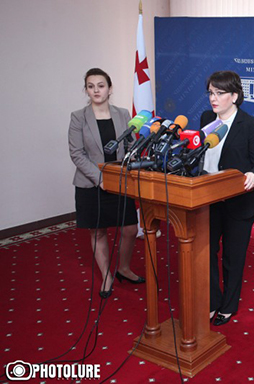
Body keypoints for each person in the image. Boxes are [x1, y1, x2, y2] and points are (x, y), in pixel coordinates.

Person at [200, 71, 254, 326]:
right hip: (208, 197)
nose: (213, 98)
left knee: (232, 256)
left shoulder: (250, 125)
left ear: (235, 96)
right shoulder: (207, 118)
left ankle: (228, 306)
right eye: (210, 93)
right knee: (205, 252)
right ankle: (211, 301)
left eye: (219, 93)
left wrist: (253, 174)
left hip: (240, 201)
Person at [68, 68, 145, 299]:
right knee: (98, 231)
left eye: (100, 86)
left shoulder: (122, 114)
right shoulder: (78, 117)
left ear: (109, 89)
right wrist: (100, 179)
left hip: (120, 180)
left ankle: (123, 268)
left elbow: (130, 145)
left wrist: (135, 155)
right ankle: (107, 276)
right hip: (91, 183)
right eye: (91, 86)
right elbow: (77, 153)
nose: (96, 90)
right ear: (86, 90)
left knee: (130, 228)